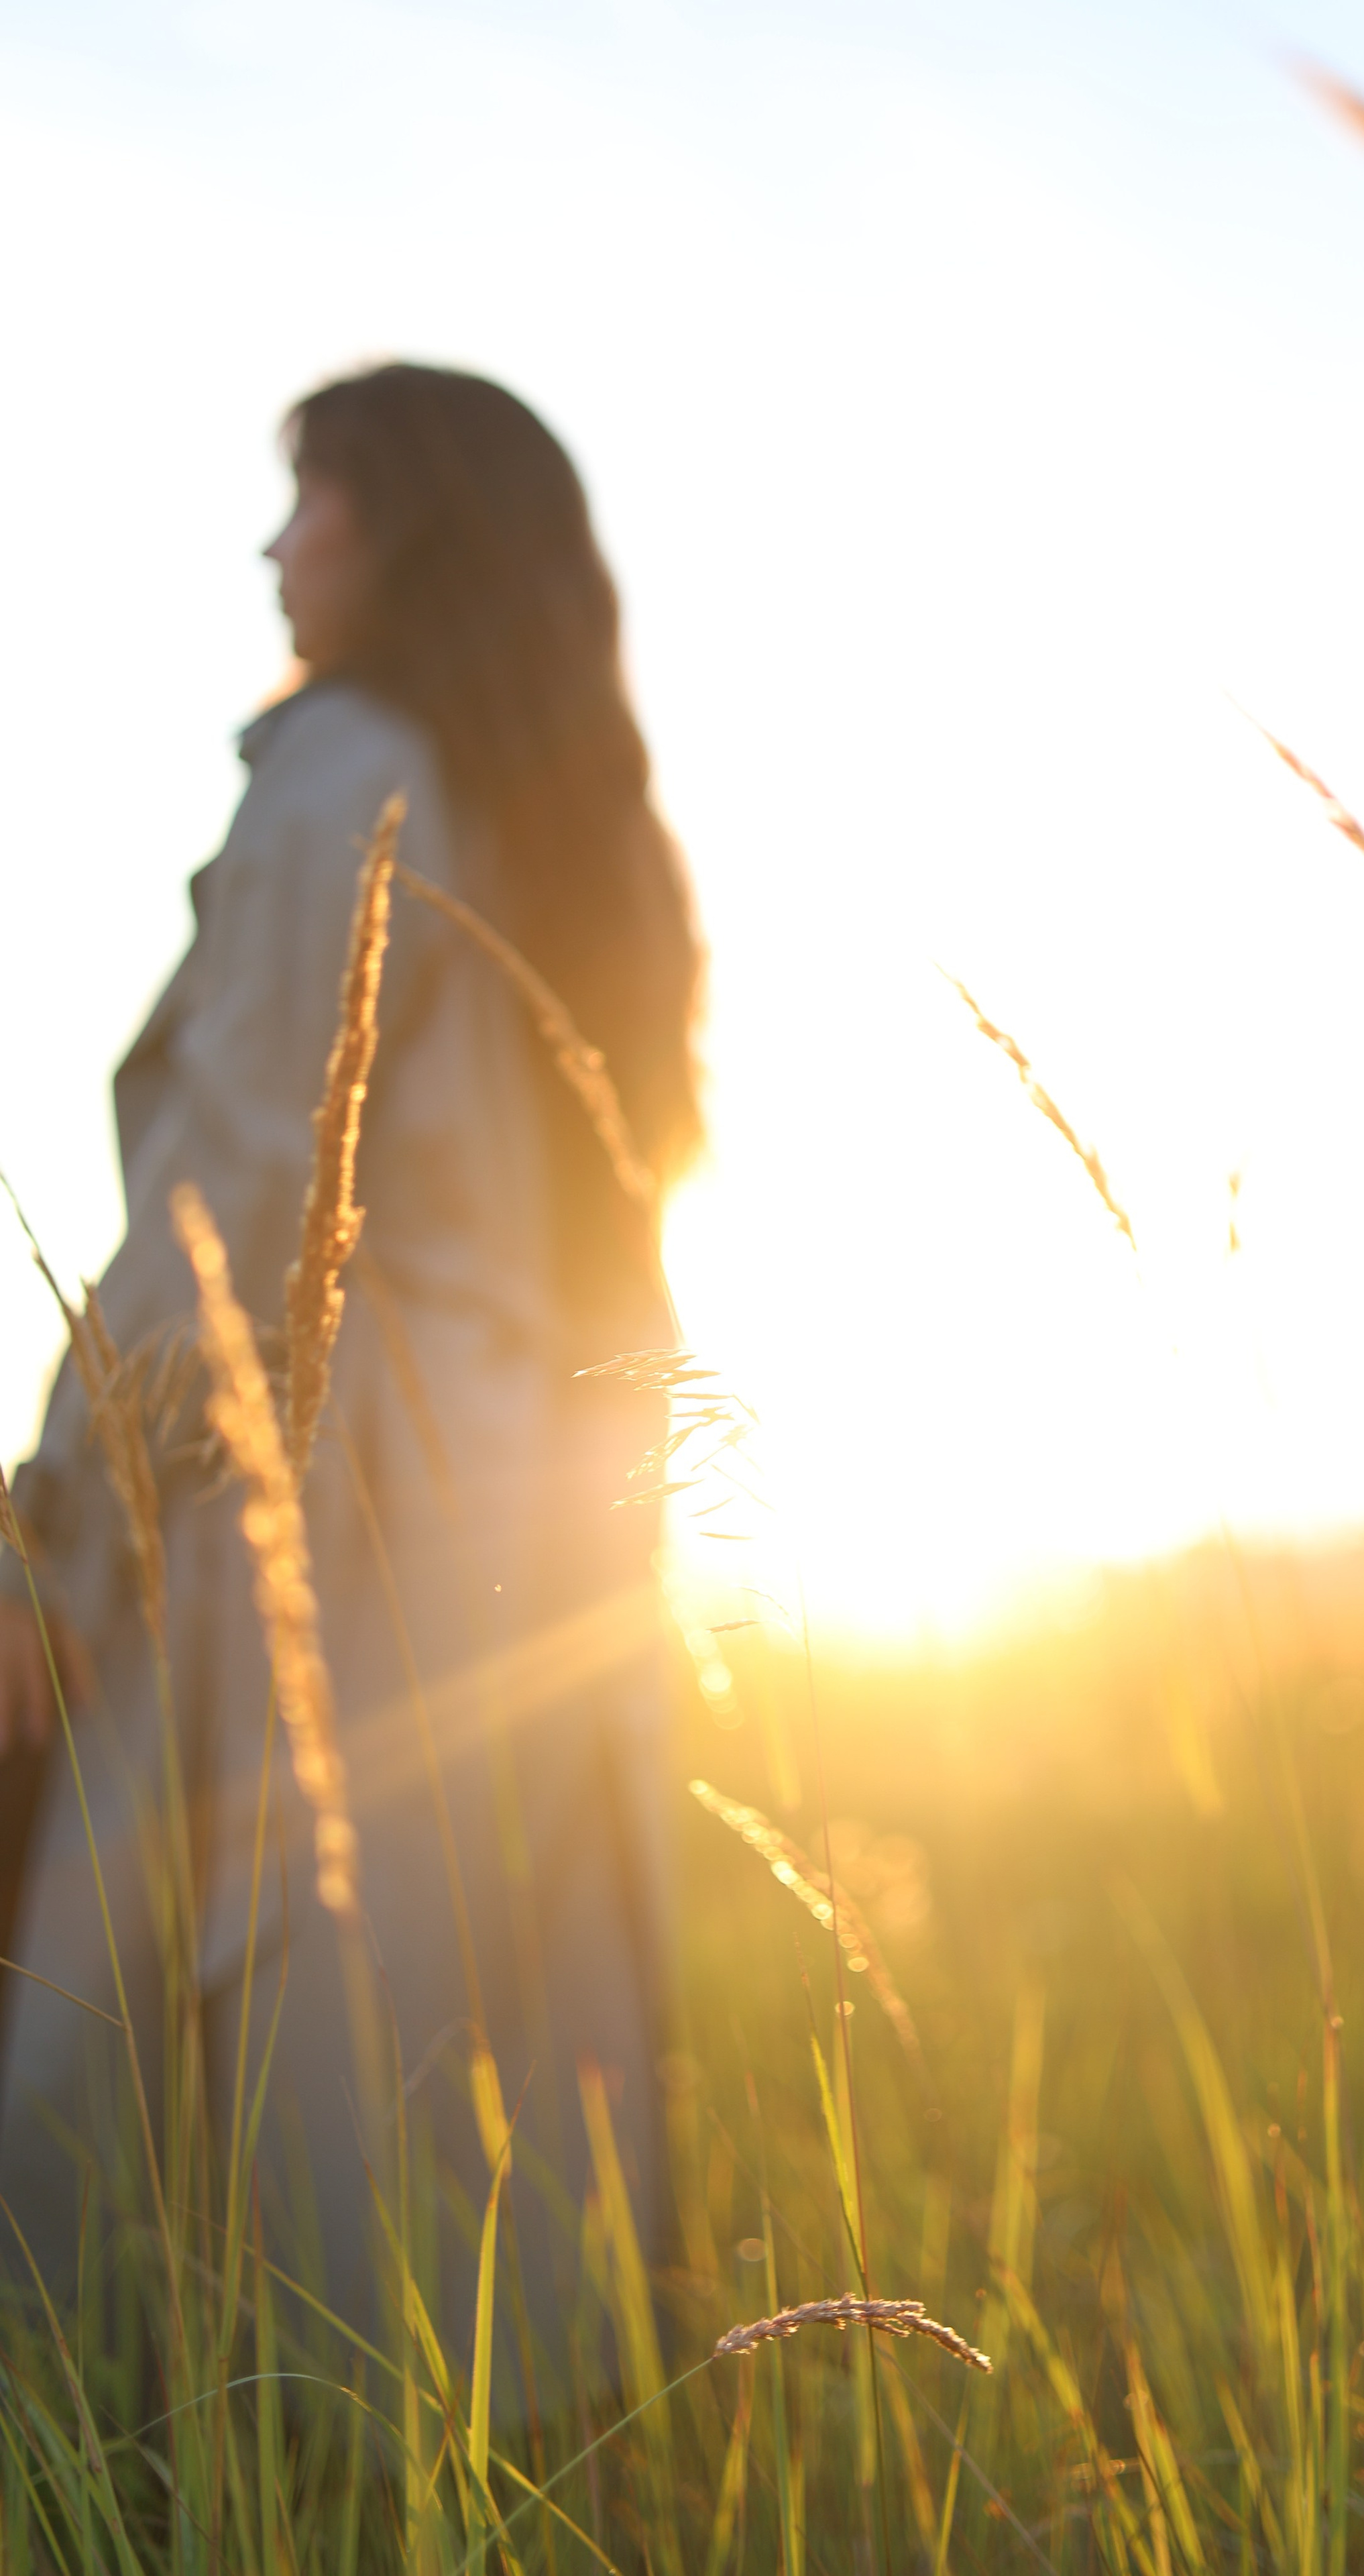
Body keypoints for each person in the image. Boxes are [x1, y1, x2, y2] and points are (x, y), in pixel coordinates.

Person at [0, 364, 703, 2362]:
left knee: (158, 2058)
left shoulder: (341, 773)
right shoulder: (579, 827)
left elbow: (217, 1219)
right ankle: (500, 2477)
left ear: (417, 538)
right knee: (497, 2060)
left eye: (311, 500)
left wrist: (53, 1543)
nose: (273, 544)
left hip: (313, 1508)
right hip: (542, 1530)